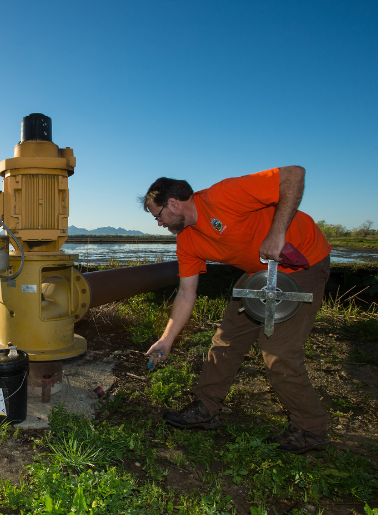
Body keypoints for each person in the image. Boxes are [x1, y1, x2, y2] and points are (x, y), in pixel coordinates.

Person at [141, 166, 331, 454]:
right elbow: (185, 293)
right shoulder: (187, 240)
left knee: (278, 350)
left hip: (304, 262)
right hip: (261, 271)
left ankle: (310, 429)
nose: (159, 223)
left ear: (173, 204)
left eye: (158, 216)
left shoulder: (224, 196)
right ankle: (206, 407)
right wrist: (166, 339)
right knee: (227, 338)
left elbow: (294, 174)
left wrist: (277, 233)